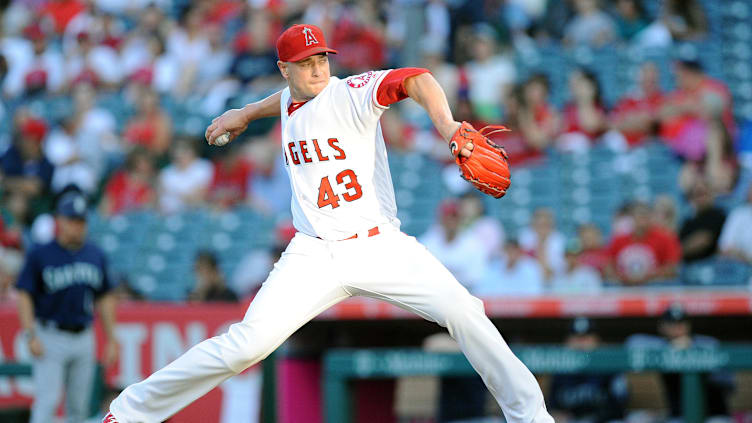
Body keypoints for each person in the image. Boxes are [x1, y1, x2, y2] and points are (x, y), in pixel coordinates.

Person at [104, 24, 554, 423]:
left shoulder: (350, 92)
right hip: (314, 252)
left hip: (379, 246)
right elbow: (282, 102)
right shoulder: (288, 99)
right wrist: (244, 113)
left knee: (464, 312)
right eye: (305, 62)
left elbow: (418, 78)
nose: (318, 68)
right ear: (285, 69)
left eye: (321, 57)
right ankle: (128, 414)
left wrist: (448, 124)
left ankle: (531, 418)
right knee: (245, 345)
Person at [16, 191, 118, 423]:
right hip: (50, 334)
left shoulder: (95, 254)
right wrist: (30, 333)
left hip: (84, 335)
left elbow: (104, 297)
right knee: (47, 403)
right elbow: (25, 294)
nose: (77, 226)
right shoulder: (41, 253)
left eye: (81, 221)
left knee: (79, 408)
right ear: (59, 220)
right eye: (72, 220)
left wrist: (112, 338)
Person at [627, 304, 734, 420]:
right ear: (662, 327)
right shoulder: (661, 346)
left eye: (681, 323)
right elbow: (632, 342)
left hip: (714, 414)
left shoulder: (707, 343)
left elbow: (729, 383)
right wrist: (670, 348)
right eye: (672, 324)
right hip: (679, 416)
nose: (678, 328)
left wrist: (691, 349)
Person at [549, 317, 628, 422]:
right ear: (567, 342)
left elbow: (620, 406)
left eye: (586, 338)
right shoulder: (561, 370)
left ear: (597, 341)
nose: (581, 343)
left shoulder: (608, 367)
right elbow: (552, 406)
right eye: (576, 338)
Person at [606, 202, 682, 285]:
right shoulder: (618, 240)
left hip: (655, 287)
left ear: (651, 217)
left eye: (644, 216)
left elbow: (672, 268)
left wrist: (647, 277)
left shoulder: (666, 238)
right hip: (624, 286)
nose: (641, 220)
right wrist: (623, 278)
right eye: (637, 216)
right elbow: (607, 266)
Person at [678, 178, 726, 263]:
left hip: (707, 266)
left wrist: (676, 251)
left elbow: (703, 241)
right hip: (685, 267)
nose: (701, 198)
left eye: (703, 193)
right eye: (697, 194)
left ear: (711, 194)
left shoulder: (717, 215)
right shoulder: (688, 220)